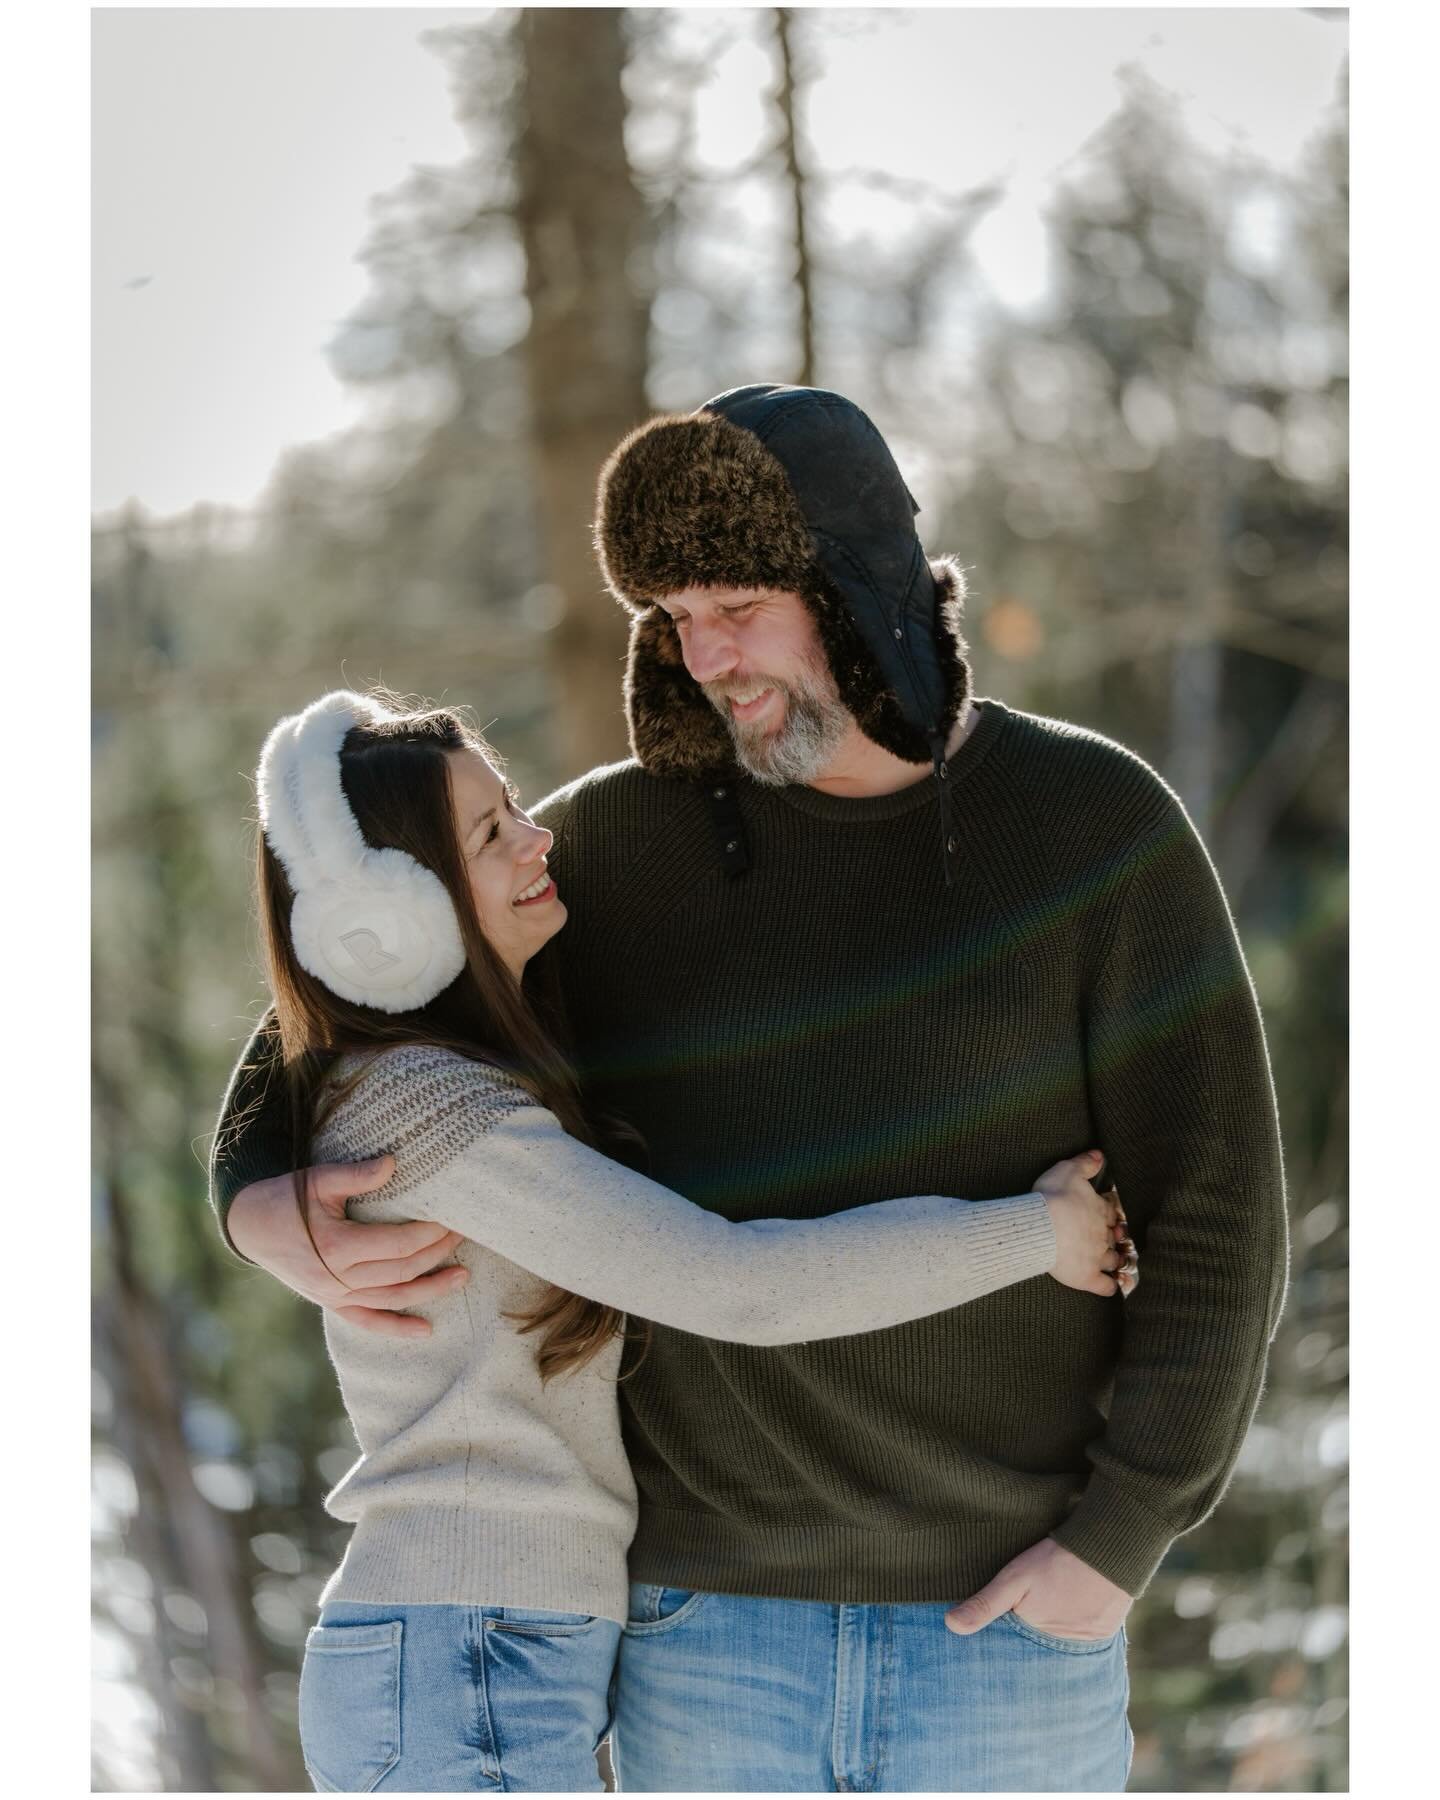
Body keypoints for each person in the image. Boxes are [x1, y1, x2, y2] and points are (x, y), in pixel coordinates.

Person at [211, 384, 1288, 1794]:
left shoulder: (1096, 831)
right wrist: (255, 1195)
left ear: (853, 584)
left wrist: (1118, 1543)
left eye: (739, 604)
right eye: (672, 617)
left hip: (1009, 1642)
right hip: (703, 1640)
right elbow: (343, 1001)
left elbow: (1218, 1216)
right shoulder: (609, 846)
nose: (706, 656)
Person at [237, 685, 1133, 1793]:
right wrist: (1033, 1234)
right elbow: (733, 1285)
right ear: (395, 920)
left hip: (491, 1649)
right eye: (489, 834)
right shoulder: (425, 1111)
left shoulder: (455, 1074)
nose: (537, 836)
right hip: (465, 1656)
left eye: (512, 805)